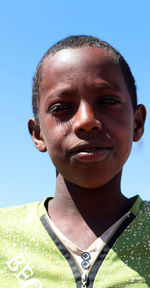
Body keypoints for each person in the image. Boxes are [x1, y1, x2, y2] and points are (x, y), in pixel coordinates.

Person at [0, 35, 149, 288]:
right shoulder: (4, 235)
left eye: (108, 101)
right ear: (37, 134)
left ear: (136, 123)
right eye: (61, 107)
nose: (86, 121)